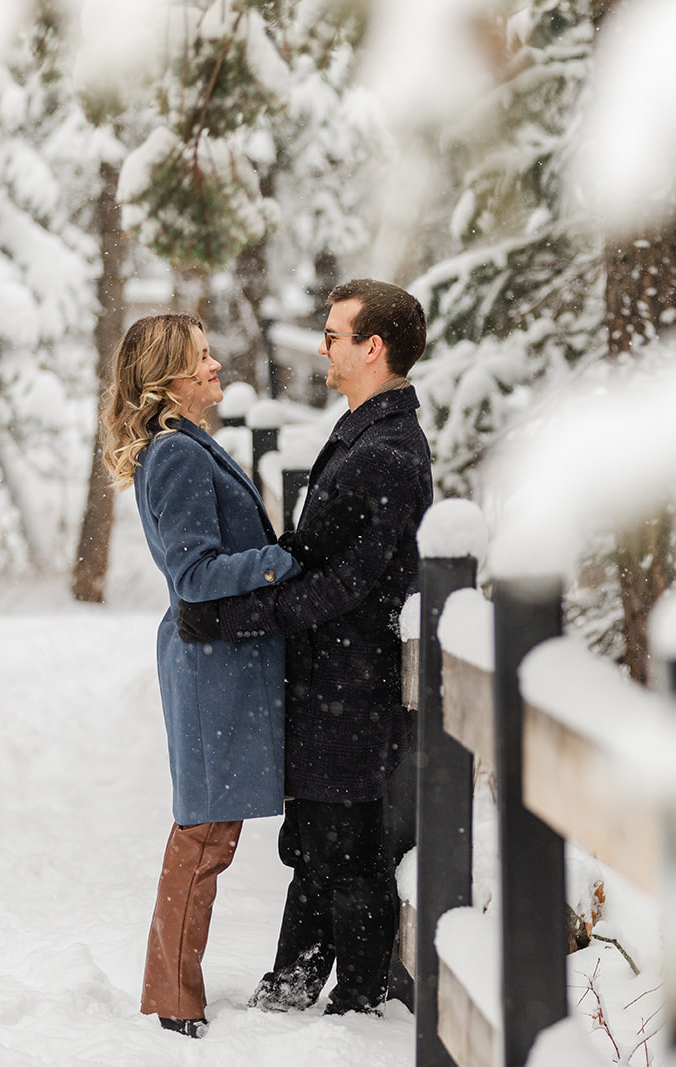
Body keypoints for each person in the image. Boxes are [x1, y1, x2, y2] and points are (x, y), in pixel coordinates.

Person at [178, 279, 434, 1016]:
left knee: (346, 846)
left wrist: (233, 617)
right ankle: (291, 989)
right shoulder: (361, 429)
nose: (323, 345)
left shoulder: (386, 449)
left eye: (334, 334)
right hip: (330, 677)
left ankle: (356, 1004)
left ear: (372, 347)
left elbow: (343, 583)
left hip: (353, 683)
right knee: (319, 839)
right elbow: (312, 559)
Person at [102, 313, 302, 1039]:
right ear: (171, 380)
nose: (217, 367)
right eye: (203, 358)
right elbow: (193, 572)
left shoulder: (184, 444)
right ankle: (173, 996)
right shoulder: (178, 455)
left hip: (221, 658)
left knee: (208, 830)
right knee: (205, 833)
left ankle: (171, 986)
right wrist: (284, 558)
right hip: (212, 662)